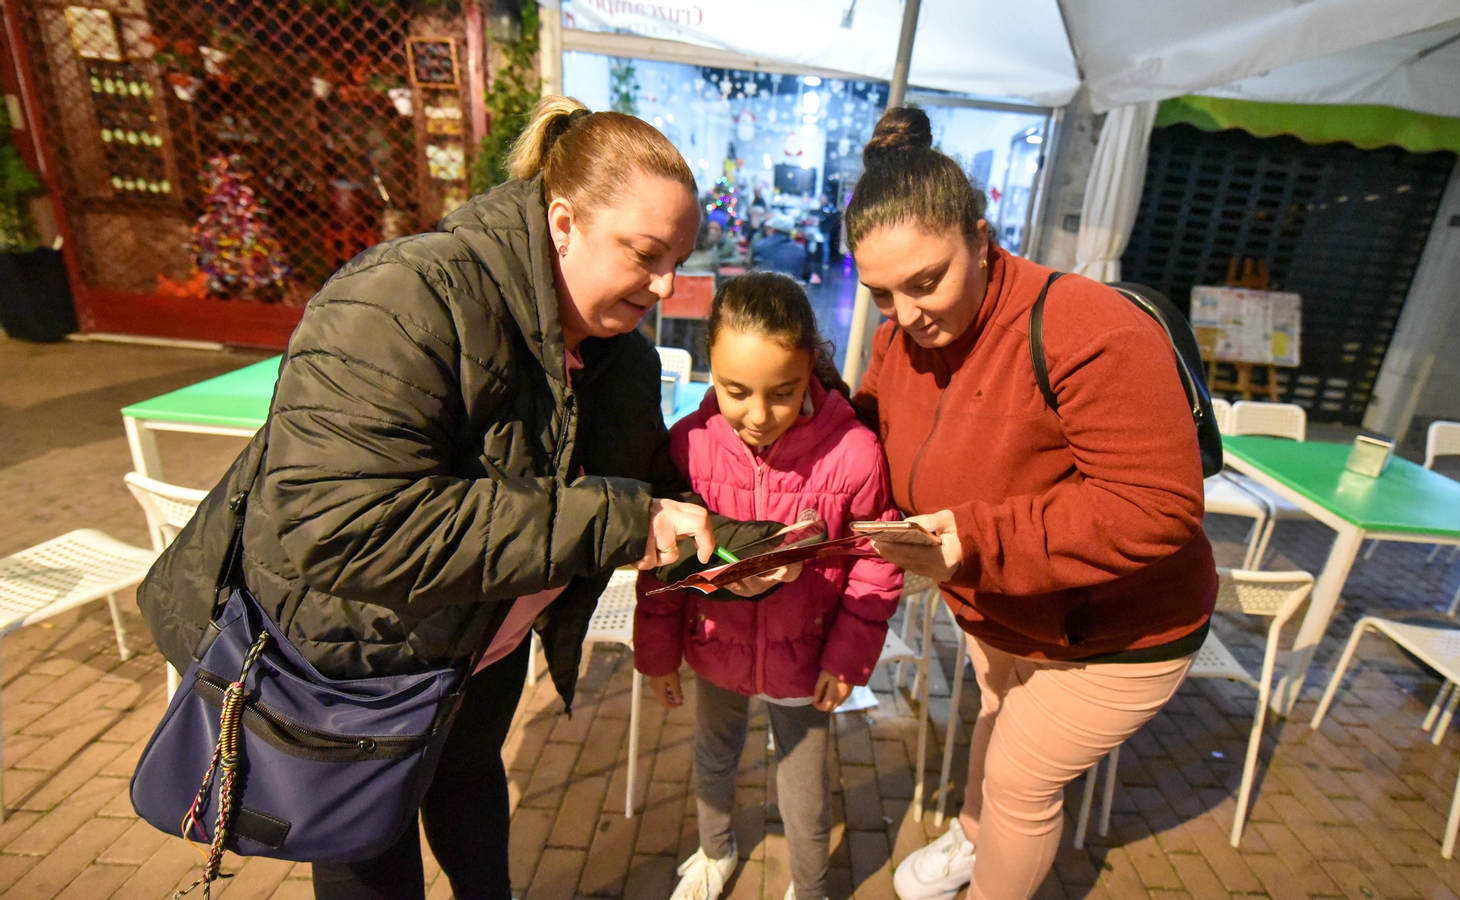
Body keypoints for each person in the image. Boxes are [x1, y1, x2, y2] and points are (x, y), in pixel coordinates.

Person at [140, 95, 788, 900]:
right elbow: (339, 527)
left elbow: (646, 483)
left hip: (483, 641)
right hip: (360, 654)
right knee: (364, 842)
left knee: (469, 777)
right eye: (645, 254)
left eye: (678, 262)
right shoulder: (400, 300)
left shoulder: (622, 356)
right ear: (563, 222)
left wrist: (726, 545)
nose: (663, 286)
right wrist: (624, 520)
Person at [847, 107, 1218, 900]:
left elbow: (1156, 505)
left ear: (982, 237)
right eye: (881, 295)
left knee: (1020, 776)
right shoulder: (900, 337)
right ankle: (975, 839)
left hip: (1116, 629)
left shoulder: (1086, 326)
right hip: (1000, 606)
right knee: (996, 714)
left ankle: (994, 867)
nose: (908, 316)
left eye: (926, 281)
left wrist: (973, 535)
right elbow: (869, 426)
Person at [634, 272, 904, 900]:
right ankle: (713, 851)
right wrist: (657, 653)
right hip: (715, 644)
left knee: (805, 786)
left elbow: (876, 560)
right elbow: (664, 561)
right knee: (713, 758)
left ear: (811, 365)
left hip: (805, 660)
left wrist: (846, 659)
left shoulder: (854, 454)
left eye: (782, 393)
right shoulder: (690, 447)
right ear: (710, 368)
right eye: (735, 391)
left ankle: (809, 887)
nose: (758, 416)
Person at [750, 214, 809, 280]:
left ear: (773, 229)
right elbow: (807, 275)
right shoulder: (801, 250)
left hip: (766, 287)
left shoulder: (759, 246)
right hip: (792, 288)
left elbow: (752, 270)